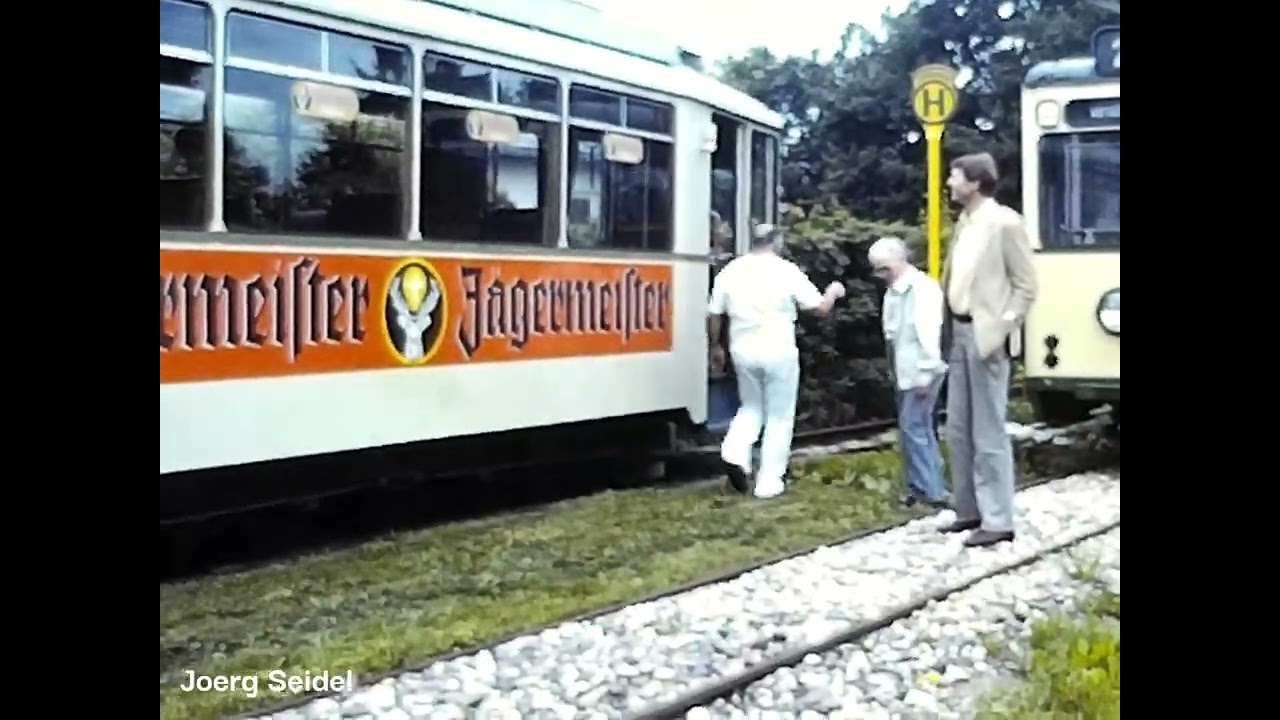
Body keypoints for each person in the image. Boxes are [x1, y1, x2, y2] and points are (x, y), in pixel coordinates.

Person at [938, 152, 1038, 547]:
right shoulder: (965, 223)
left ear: (976, 183)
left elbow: (1026, 285)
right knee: (959, 428)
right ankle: (969, 510)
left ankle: (999, 520)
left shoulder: (1005, 223)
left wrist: (1003, 325)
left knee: (989, 430)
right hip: (960, 334)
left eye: (955, 176)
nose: (949, 182)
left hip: (986, 337)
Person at [707, 224, 845, 498]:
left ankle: (734, 452)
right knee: (779, 417)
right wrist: (833, 291)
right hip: (778, 348)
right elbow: (819, 308)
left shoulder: (731, 270)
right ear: (777, 242)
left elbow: (714, 313)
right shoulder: (786, 270)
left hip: (742, 348)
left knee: (751, 407)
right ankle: (769, 483)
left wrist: (715, 347)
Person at [868, 236, 949, 510]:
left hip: (922, 370)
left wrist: (926, 373)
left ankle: (932, 491)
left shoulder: (922, 290)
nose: (880, 275)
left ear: (901, 260)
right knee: (916, 428)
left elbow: (930, 333)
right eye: (876, 269)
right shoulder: (896, 290)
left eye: (884, 268)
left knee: (914, 427)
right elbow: (892, 334)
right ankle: (921, 485)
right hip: (905, 370)